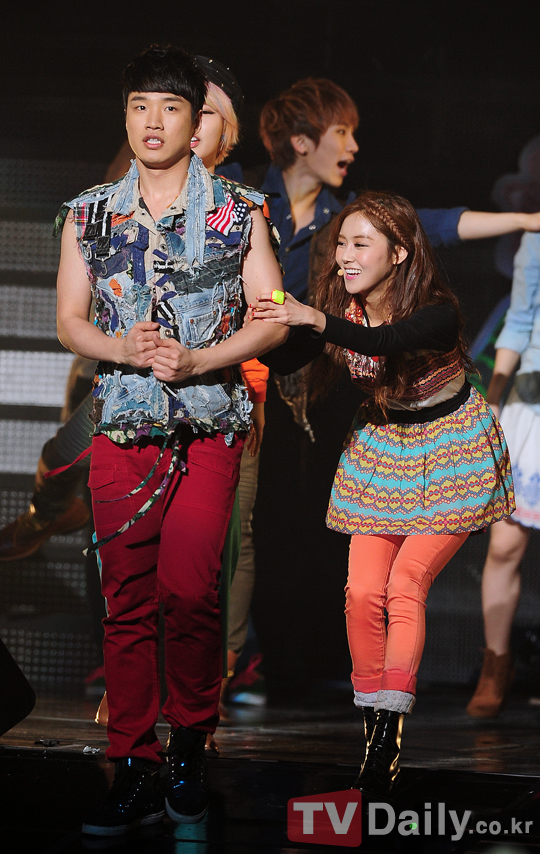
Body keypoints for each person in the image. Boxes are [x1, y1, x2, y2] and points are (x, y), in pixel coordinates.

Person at [54, 44, 286, 836]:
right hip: (122, 426)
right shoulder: (89, 213)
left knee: (190, 590)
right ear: (126, 117)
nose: (152, 121)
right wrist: (121, 347)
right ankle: (133, 764)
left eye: (170, 107)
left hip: (209, 424)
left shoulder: (240, 210)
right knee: (125, 602)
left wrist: (198, 360)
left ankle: (189, 744)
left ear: (197, 123)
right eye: (140, 107)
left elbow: (270, 316)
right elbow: (70, 320)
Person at [252, 190, 514, 800]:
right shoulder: (338, 308)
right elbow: (291, 355)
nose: (345, 254)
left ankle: (389, 726)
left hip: (451, 452)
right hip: (383, 449)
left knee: (406, 584)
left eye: (360, 244)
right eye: (340, 243)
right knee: (362, 591)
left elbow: (384, 342)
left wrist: (314, 319)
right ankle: (378, 734)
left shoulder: (436, 310)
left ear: (398, 253)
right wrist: (263, 320)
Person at [466, 230, 540, 718]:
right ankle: (496, 662)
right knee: (505, 544)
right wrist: (492, 400)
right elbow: (519, 319)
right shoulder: (537, 236)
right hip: (532, 403)